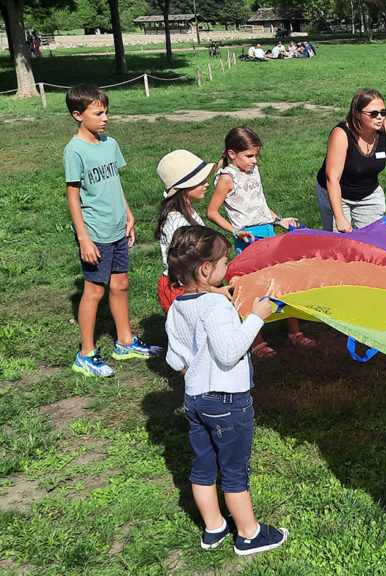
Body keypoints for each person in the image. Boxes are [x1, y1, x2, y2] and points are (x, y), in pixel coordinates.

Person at [164, 225, 289, 556]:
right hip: (228, 403)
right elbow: (229, 351)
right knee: (234, 471)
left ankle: (214, 526)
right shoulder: (217, 308)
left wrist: (197, 373)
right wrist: (256, 318)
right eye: (223, 263)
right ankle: (249, 534)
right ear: (206, 269)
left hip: (194, 401)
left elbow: (176, 359)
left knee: (203, 466)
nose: (227, 268)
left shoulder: (177, 306)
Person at [63, 84, 163, 377]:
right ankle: (86, 354)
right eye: (98, 113)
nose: (105, 117)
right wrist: (84, 238)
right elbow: (72, 195)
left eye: (106, 111)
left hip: (117, 227)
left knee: (120, 285)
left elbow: (115, 183)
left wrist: (129, 215)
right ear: (78, 115)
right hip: (94, 232)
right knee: (94, 291)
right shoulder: (74, 151)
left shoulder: (110, 144)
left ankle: (125, 342)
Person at [207, 126, 316, 358]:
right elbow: (212, 212)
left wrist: (279, 220)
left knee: (282, 280)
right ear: (232, 154)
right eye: (249, 156)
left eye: (256, 155)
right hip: (249, 239)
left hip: (268, 232)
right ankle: (256, 340)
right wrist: (236, 231)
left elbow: (259, 205)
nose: (254, 161)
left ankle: (294, 333)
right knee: (252, 287)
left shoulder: (252, 171)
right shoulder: (227, 178)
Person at [316, 88, 386, 232]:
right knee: (339, 244)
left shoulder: (385, 129)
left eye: (383, 112)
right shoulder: (341, 134)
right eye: (373, 113)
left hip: (369, 193)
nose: (380, 117)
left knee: (374, 239)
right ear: (358, 114)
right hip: (337, 194)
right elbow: (332, 180)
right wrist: (340, 217)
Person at [155, 149, 217, 313]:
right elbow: (186, 264)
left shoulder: (187, 210)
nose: (206, 184)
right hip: (182, 287)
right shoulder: (178, 223)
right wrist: (212, 290)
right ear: (184, 187)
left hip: (192, 282)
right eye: (201, 181)